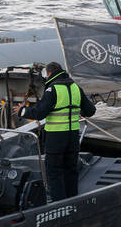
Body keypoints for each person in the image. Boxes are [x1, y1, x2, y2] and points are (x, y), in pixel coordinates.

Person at [19, 62, 96, 201]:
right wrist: (78, 111)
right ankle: (72, 200)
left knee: (54, 172)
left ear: (49, 73)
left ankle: (59, 203)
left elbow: (39, 113)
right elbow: (91, 110)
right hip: (73, 137)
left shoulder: (52, 90)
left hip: (55, 139)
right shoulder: (76, 88)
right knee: (71, 170)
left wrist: (22, 111)